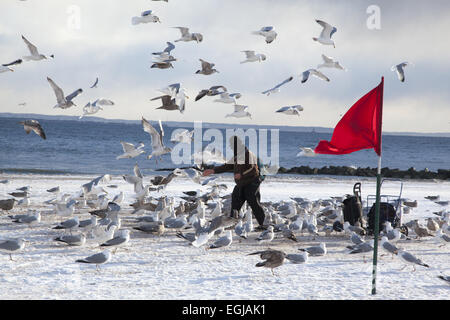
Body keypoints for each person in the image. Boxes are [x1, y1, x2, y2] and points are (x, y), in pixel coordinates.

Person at [202, 136, 267, 230]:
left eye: (232, 146)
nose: (231, 148)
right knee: (235, 202)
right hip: (241, 184)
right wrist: (213, 171)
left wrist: (241, 174)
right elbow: (227, 166)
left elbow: (253, 169)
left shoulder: (248, 154)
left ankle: (263, 225)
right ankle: (232, 223)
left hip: (252, 183)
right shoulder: (237, 155)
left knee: (254, 203)